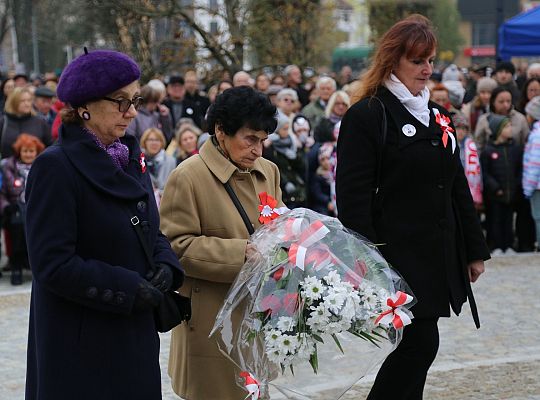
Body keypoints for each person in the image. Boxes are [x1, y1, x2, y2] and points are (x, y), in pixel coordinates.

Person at [335, 15, 489, 399]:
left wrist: (473, 250)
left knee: (418, 348)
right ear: (393, 61)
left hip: (436, 253)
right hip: (395, 257)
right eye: (418, 60)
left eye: (431, 60)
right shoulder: (368, 115)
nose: (427, 69)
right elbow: (352, 197)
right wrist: (369, 263)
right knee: (419, 344)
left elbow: (456, 187)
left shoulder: (437, 117)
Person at [24, 49, 184, 400]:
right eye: (120, 101)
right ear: (84, 106)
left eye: (135, 100)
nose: (131, 112)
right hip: (81, 338)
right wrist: (127, 287)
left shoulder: (129, 155)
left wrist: (166, 266)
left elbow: (149, 228)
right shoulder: (55, 167)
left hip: (133, 330)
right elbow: (51, 264)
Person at [160, 86, 282, 400]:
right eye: (250, 138)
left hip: (257, 315)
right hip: (211, 319)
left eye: (263, 140)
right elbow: (175, 246)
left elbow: (278, 227)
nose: (258, 150)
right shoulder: (187, 176)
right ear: (220, 131)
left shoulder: (268, 172)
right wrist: (239, 253)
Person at [0, 134, 44, 285]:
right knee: (17, 227)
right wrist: (6, 207)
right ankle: (16, 266)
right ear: (19, 151)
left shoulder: (43, 166)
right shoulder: (9, 167)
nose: (28, 154)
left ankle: (36, 265)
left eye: (31, 151)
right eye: (25, 151)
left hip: (38, 208)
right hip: (16, 208)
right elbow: (3, 193)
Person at [480, 115, 522, 255]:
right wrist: (495, 187)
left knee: (509, 220)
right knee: (495, 220)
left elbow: (519, 169)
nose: (511, 129)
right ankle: (496, 245)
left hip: (511, 193)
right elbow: (485, 173)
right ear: (498, 130)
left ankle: (508, 244)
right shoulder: (488, 151)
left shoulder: (515, 149)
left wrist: (516, 184)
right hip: (495, 195)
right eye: (507, 126)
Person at [264, 113, 306, 208]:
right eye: (284, 129)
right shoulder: (270, 145)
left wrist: (295, 157)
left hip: (297, 188)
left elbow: (302, 166)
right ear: (278, 130)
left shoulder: (292, 142)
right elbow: (273, 167)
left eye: (288, 128)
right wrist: (285, 182)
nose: (287, 132)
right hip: (282, 189)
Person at [0, 87, 52, 158]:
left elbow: (50, 146)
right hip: (7, 167)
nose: (27, 104)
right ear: (13, 102)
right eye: (22, 101)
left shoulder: (40, 122)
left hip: (35, 167)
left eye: (29, 100)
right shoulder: (3, 122)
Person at [474, 86, 529, 153]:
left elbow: (526, 143)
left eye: (508, 101)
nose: (505, 105)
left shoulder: (520, 119)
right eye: (501, 102)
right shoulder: (484, 120)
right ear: (493, 102)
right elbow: (478, 145)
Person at [140, 127, 176, 204]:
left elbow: (174, 187)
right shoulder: (139, 160)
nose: (154, 143)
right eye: (151, 140)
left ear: (162, 142)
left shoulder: (171, 161)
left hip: (166, 203)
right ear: (144, 142)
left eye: (157, 140)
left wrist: (160, 193)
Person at [523, 96, 540, 248]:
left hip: (537, 187)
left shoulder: (536, 136)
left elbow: (534, 164)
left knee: (538, 216)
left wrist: (527, 188)